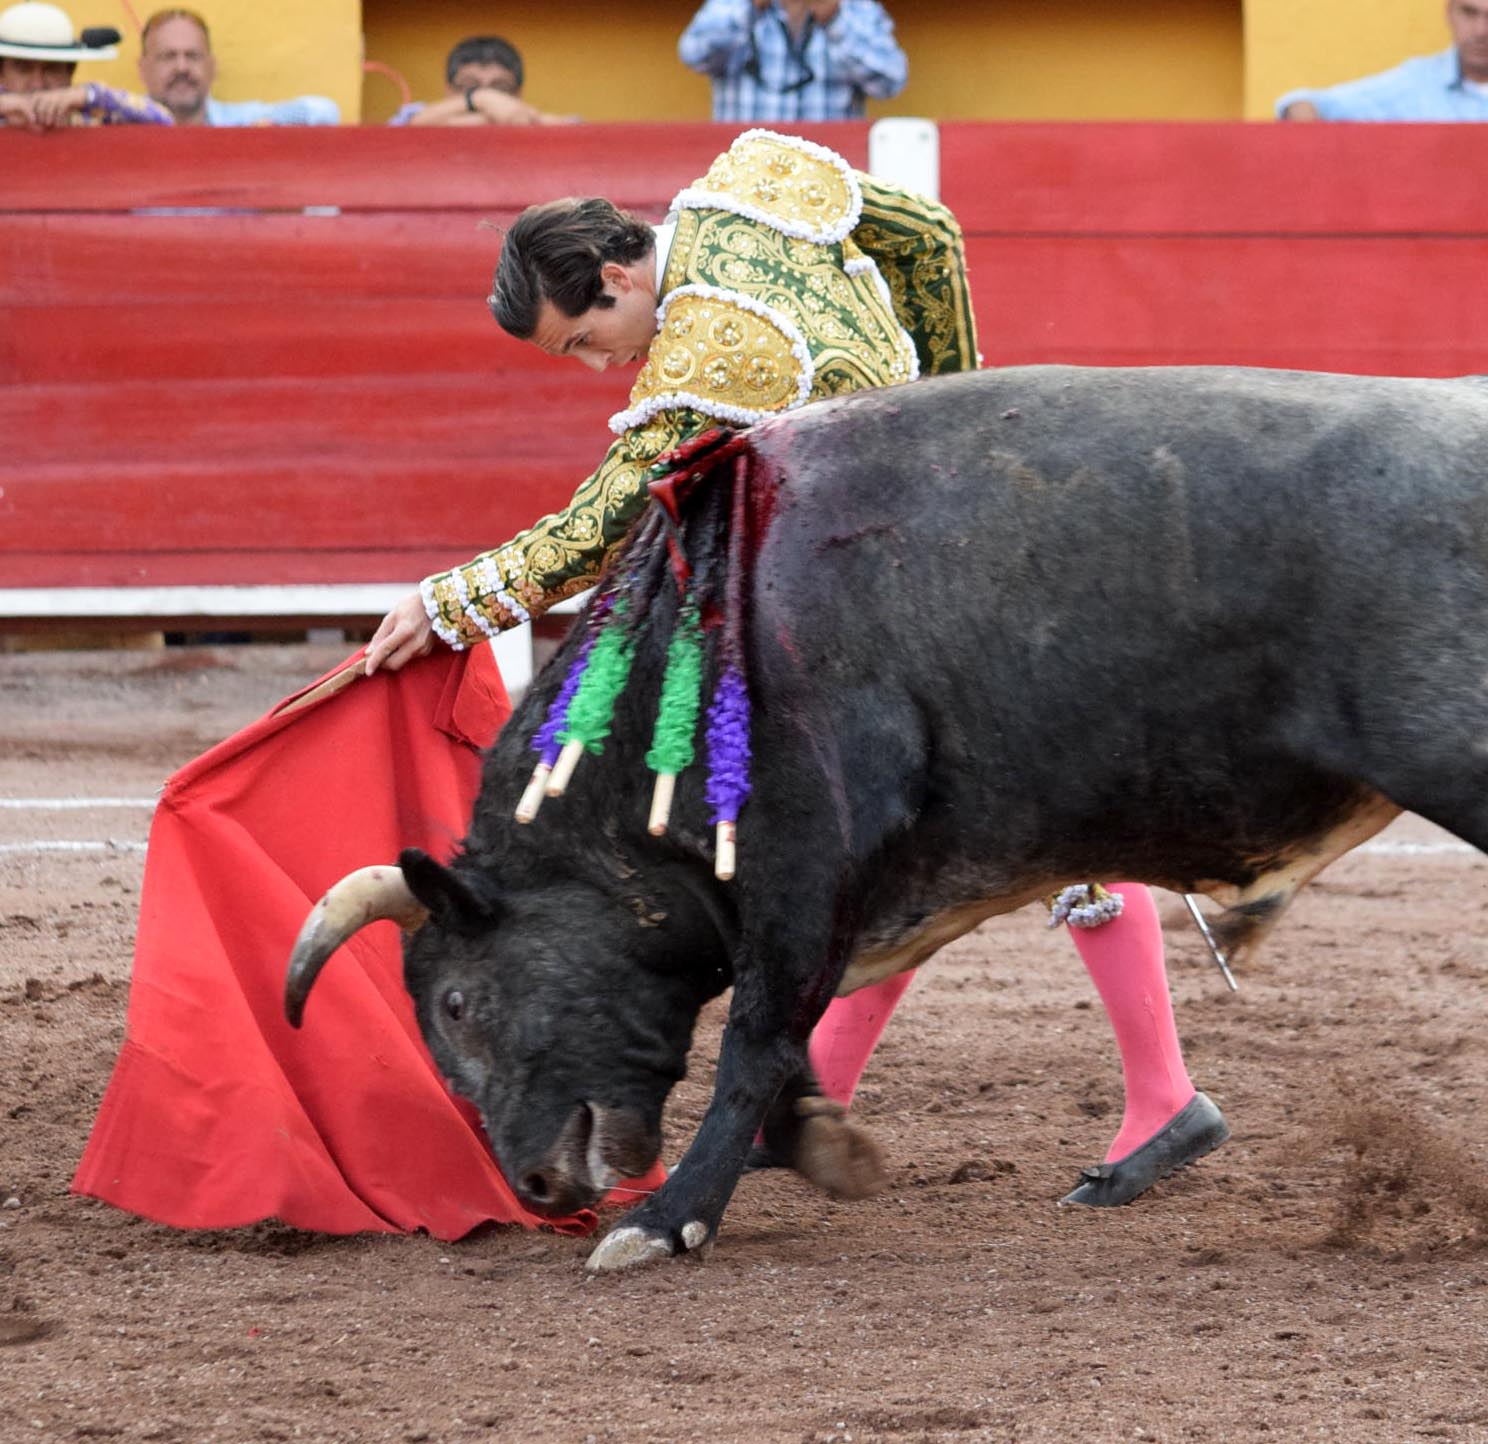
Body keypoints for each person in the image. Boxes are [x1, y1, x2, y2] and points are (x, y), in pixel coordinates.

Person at [363, 129, 1227, 1206]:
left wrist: (449, 600)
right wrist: (949, 400)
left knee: (1039, 819)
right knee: (901, 837)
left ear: (624, 275)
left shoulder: (708, 355)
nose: (602, 366)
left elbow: (604, 525)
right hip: (914, 564)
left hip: (913, 593)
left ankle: (1164, 1096)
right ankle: (827, 1099)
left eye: (589, 336)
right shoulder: (745, 190)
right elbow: (925, 232)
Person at [1275, 0, 1488, 123]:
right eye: (1469, 12)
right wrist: (1303, 115)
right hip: (1437, 249)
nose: (1480, 30)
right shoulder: (1416, 80)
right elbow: (1313, 105)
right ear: (1449, 13)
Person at [677, 0, 905, 123]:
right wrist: (750, 7)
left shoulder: (856, 7)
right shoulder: (731, 4)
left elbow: (891, 82)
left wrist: (835, 18)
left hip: (826, 175)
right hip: (745, 170)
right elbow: (693, 55)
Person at [136, 8, 336, 126]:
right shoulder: (120, 125)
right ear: (143, 69)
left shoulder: (237, 121)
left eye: (193, 56)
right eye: (168, 57)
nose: (182, 67)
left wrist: (254, 132)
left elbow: (323, 112)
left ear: (212, 67)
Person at [0, 0, 168, 128]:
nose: (38, 83)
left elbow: (164, 119)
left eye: (51, 69)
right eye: (23, 69)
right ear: (2, 73)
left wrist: (87, 96)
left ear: (70, 71)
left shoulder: (89, 115)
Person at [388, 34, 574, 127]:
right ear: (448, 91)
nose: (493, 102)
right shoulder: (421, 117)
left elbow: (575, 128)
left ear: (518, 94)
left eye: (500, 88)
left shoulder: (535, 119)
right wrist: (479, 100)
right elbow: (402, 126)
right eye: (470, 87)